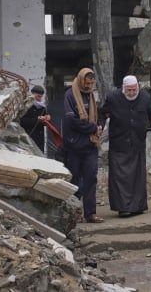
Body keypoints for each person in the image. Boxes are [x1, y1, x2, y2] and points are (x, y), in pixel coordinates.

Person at [99, 75, 151, 217]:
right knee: (119, 177)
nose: (131, 92)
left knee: (137, 177)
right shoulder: (113, 97)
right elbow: (102, 113)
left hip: (137, 143)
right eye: (128, 90)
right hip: (118, 143)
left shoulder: (145, 97)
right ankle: (123, 208)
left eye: (134, 90)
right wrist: (100, 125)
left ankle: (137, 207)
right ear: (123, 88)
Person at [63, 68, 103, 223]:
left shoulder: (91, 96)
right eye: (86, 84)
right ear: (80, 80)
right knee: (74, 180)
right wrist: (92, 128)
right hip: (74, 145)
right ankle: (73, 213)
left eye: (91, 83)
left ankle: (90, 213)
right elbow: (71, 121)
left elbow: (97, 116)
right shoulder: (70, 95)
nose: (89, 86)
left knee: (91, 178)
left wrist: (99, 126)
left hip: (90, 145)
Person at [20, 85, 51, 152]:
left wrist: (47, 119)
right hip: (29, 136)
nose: (39, 99)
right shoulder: (27, 105)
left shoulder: (42, 107)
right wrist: (37, 119)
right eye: (38, 96)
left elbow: (45, 124)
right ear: (33, 94)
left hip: (39, 138)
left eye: (41, 97)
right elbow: (22, 121)